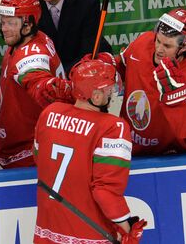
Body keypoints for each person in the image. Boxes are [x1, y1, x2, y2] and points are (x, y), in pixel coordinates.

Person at [33, 59, 146, 244]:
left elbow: (39, 158)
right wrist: (127, 228)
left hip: (46, 232)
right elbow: (105, 192)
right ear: (96, 96)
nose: (112, 93)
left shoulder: (49, 113)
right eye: (108, 89)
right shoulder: (112, 127)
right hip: (88, 234)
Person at [0, 0, 73, 169]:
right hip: (24, 148)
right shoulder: (30, 40)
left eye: (10, 23)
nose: (4, 28)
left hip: (30, 153)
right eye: (3, 22)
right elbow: (20, 80)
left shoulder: (31, 54)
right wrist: (2, 97)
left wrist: (45, 87)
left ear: (28, 24)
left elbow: (37, 80)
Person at [112, 7, 186, 155]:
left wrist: (177, 103)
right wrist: (107, 67)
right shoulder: (142, 42)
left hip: (171, 156)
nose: (159, 49)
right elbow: (120, 68)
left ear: (185, 46)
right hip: (130, 146)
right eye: (158, 40)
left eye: (167, 46)